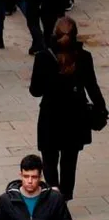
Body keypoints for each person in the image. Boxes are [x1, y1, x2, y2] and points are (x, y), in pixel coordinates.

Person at [27, 15, 105, 199]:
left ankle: (53, 190)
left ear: (55, 35)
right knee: (70, 161)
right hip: (76, 116)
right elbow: (92, 87)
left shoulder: (43, 58)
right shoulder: (84, 58)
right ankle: (66, 195)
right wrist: (101, 109)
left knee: (49, 158)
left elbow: (35, 91)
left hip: (50, 115)